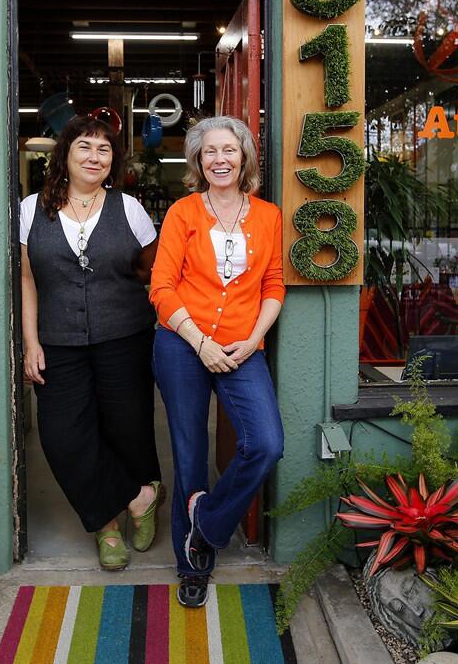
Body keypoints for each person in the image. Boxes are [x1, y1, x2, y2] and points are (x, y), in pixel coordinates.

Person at [149, 115, 285, 608]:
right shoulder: (184, 213)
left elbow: (274, 284)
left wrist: (252, 340)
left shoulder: (268, 216)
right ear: (198, 161)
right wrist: (198, 340)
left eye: (229, 150)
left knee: (266, 444)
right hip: (183, 343)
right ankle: (192, 563)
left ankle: (206, 524)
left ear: (244, 156)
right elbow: (161, 287)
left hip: (242, 347)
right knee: (189, 452)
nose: (220, 159)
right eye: (210, 152)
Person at [19, 115, 164, 570]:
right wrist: (29, 342)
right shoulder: (30, 209)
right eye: (84, 147)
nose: (94, 157)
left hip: (124, 335)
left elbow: (151, 270)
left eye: (104, 150)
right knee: (61, 435)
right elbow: (26, 279)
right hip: (57, 340)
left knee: (128, 426)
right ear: (65, 154)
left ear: (112, 161)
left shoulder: (130, 209)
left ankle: (112, 525)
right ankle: (136, 499)